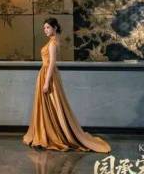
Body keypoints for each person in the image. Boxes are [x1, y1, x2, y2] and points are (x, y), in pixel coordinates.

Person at [22, 18, 111, 153]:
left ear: (55, 28)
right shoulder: (53, 41)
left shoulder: (53, 43)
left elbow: (52, 63)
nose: (45, 30)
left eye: (48, 27)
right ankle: (47, 133)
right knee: (49, 105)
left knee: (54, 104)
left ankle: (54, 135)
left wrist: (46, 82)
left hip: (48, 75)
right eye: (44, 28)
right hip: (46, 74)